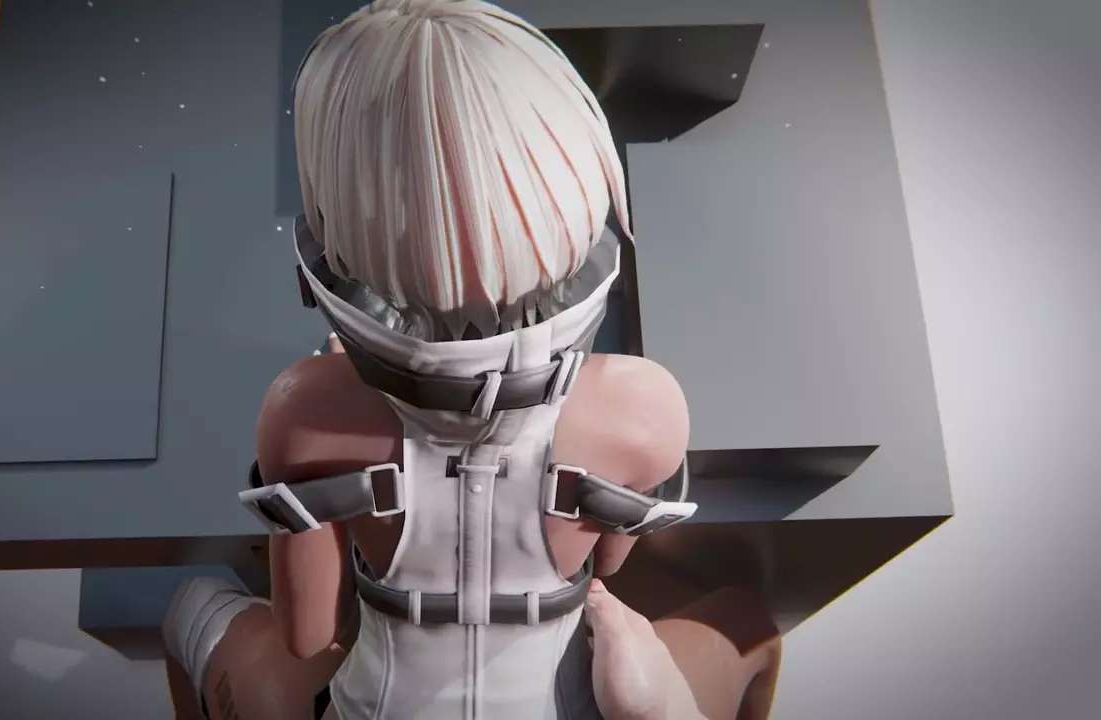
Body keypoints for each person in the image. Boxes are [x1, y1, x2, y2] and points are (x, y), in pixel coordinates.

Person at [163, 1, 781, 717]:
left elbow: (308, 637)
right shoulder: (648, 406)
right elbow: (605, 568)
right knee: (749, 622)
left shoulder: (302, 407)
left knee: (189, 606)